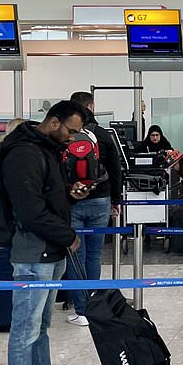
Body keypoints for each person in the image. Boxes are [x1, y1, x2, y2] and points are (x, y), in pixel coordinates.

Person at [1, 100, 90, 365]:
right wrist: (67, 235)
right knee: (25, 332)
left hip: (50, 253)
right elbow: (29, 211)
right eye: (70, 129)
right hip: (32, 255)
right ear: (53, 122)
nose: (72, 137)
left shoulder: (46, 150)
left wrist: (71, 195)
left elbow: (47, 199)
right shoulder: (24, 153)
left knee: (40, 328)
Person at [64, 91, 125, 327]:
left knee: (75, 255)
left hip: (73, 199)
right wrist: (115, 199)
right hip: (100, 199)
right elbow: (115, 168)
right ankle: (95, 305)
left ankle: (81, 311)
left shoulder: (67, 135)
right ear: (91, 106)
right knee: (95, 255)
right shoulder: (102, 134)